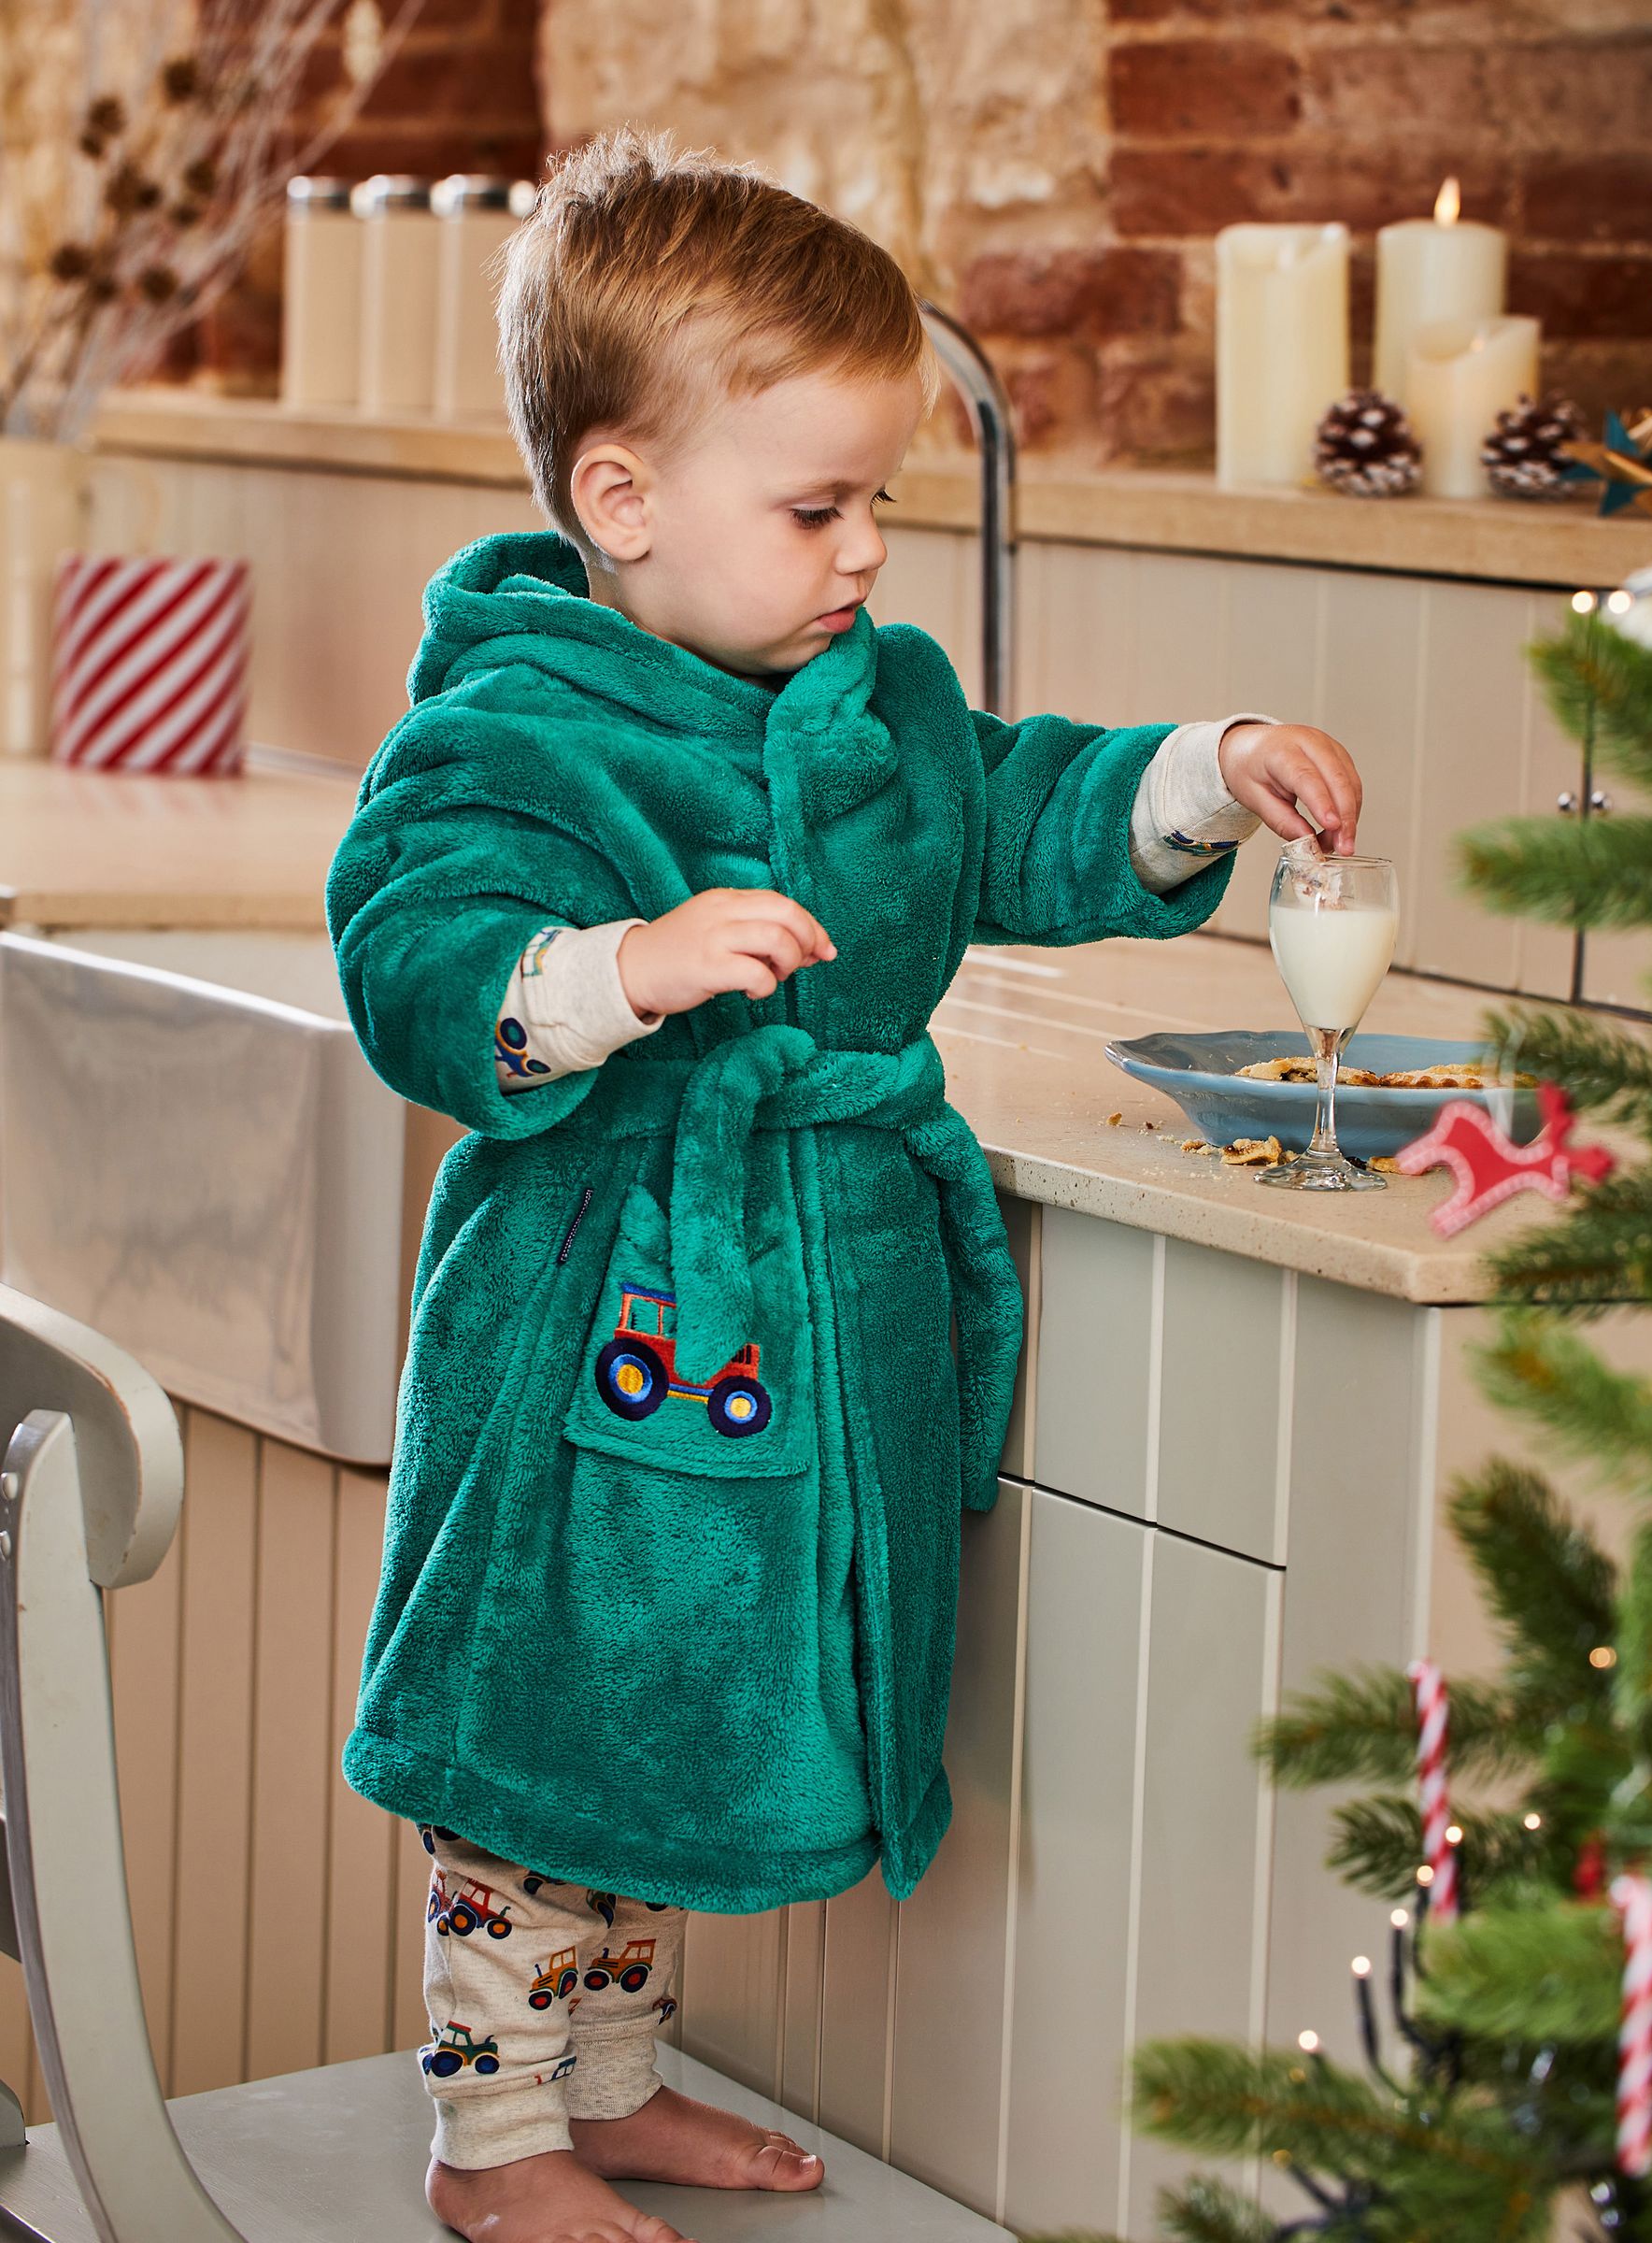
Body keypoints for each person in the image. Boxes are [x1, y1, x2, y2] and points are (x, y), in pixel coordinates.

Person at [324, 122, 1364, 2243]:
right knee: (556, 1719)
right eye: (819, 507)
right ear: (623, 499)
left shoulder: (870, 699)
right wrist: (621, 969)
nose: (869, 548)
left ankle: (614, 2083)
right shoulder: (516, 726)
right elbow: (413, 955)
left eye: (878, 498)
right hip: (603, 1301)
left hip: (822, 1287)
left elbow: (1015, 806)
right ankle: (491, 2137)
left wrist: (1202, 773)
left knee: (688, 1712)